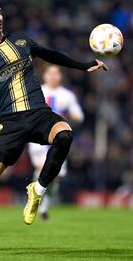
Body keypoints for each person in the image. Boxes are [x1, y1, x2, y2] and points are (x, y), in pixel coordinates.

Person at [0, 0, 108, 255]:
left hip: (38, 112)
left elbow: (50, 54)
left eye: (0, 12)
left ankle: (37, 190)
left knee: (65, 135)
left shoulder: (21, 40)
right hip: (9, 121)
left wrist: (83, 66)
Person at [27, 65, 84, 221]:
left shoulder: (68, 95)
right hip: (38, 138)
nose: (53, 76)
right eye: (50, 73)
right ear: (44, 75)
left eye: (56, 73)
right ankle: (34, 199)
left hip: (58, 139)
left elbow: (79, 115)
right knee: (41, 168)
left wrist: (73, 116)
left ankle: (43, 206)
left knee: (55, 175)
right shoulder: (37, 91)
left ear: (60, 76)